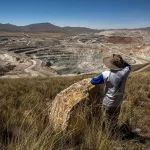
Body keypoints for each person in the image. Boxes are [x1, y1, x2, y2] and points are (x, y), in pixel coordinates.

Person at [91, 54, 131, 133]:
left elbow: (93, 81)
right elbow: (129, 66)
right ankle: (114, 132)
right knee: (114, 119)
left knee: (107, 120)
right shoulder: (125, 72)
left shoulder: (106, 74)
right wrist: (122, 62)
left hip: (108, 102)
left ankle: (109, 136)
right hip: (118, 102)